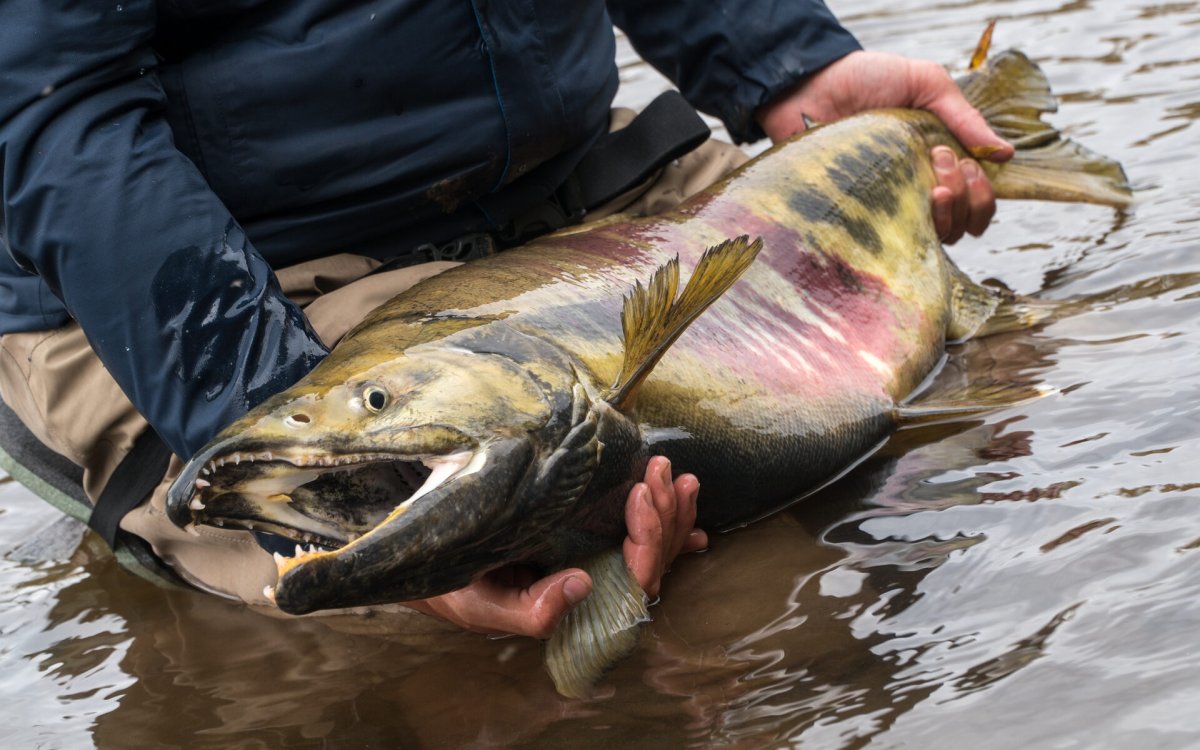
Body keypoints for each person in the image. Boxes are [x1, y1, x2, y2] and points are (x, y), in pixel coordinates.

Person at [0, 1, 1008, 639]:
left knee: (982, 404)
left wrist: (788, 67)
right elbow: (57, 118)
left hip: (571, 181)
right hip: (215, 274)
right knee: (738, 606)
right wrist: (363, 496)